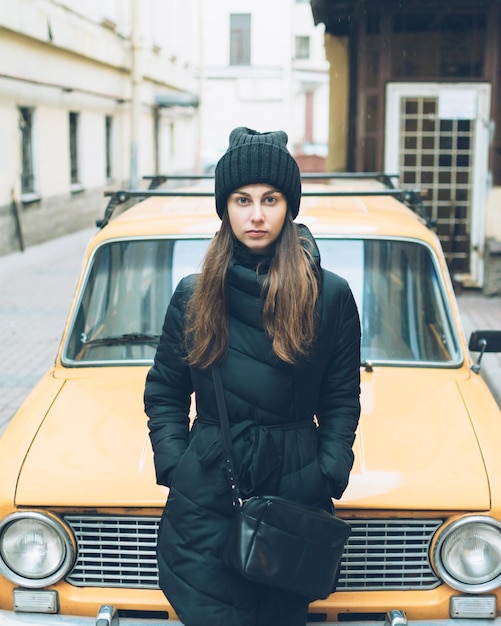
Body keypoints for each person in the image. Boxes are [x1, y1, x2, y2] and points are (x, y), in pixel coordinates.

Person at [144, 127, 361, 626]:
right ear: (225, 207)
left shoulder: (329, 296)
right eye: (242, 200)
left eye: (271, 199)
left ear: (290, 206)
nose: (257, 215)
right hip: (206, 488)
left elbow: (341, 400)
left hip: (294, 488)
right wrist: (178, 464)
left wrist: (326, 470)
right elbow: (165, 391)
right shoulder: (193, 294)